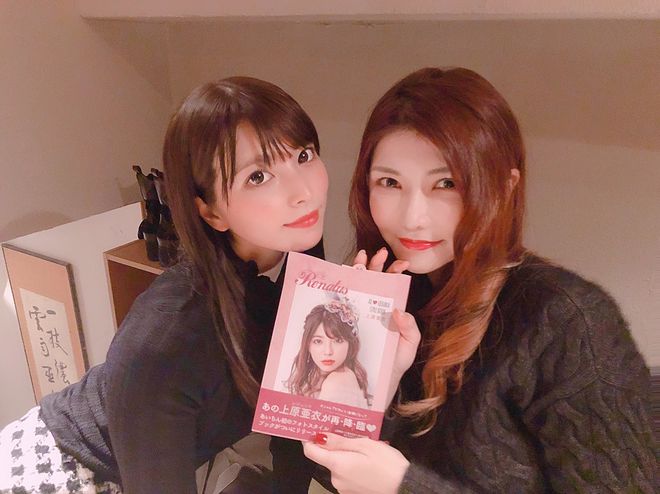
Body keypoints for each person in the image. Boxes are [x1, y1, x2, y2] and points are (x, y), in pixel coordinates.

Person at [303, 67, 656, 493]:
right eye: (390, 182)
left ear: (505, 187)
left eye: (447, 183)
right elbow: (332, 472)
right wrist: (372, 387)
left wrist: (405, 488)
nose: (413, 217)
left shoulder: (567, 319)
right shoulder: (384, 302)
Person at [0, 76, 329, 493]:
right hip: (65, 473)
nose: (303, 192)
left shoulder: (295, 261)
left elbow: (296, 422)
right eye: (258, 176)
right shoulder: (170, 333)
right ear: (211, 212)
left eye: (303, 155)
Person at [286, 300, 371, 408]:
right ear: (308, 344)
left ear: (350, 344)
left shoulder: (338, 381)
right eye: (318, 341)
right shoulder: (315, 376)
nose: (328, 351)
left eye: (338, 340)